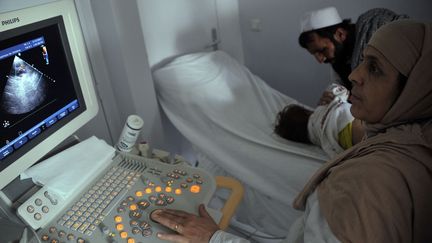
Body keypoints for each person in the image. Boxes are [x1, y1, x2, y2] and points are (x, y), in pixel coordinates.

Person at [150, 20, 432, 243]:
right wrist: (334, 104)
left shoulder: (369, 182)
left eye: (375, 69)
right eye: (363, 62)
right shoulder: (409, 136)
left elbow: (339, 127)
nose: (354, 75)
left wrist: (213, 238)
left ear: (414, 89)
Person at [298, 7, 408, 104]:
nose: (320, 60)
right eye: (315, 54)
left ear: (340, 34)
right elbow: (338, 88)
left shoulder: (375, 31)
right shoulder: (338, 62)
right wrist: (329, 100)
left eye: (322, 50)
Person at [274, 84, 364, 158]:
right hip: (343, 112)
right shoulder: (320, 107)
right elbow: (338, 90)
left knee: (367, 138)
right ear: (306, 111)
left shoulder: (315, 139)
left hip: (339, 136)